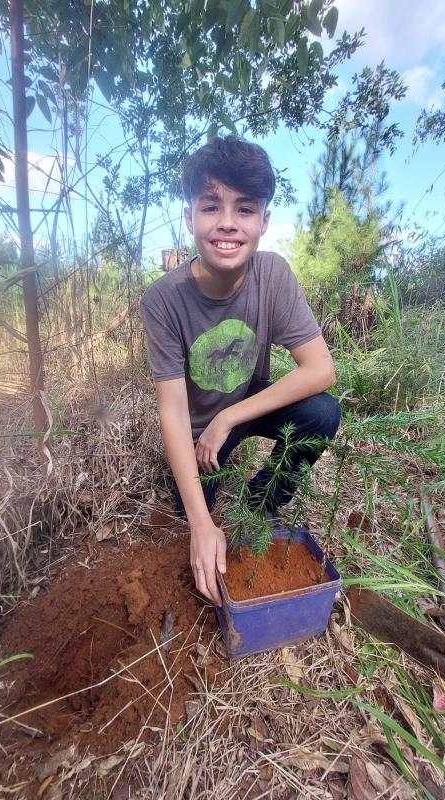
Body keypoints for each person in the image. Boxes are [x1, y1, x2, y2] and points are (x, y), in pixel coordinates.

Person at [139, 136, 340, 607]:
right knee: (191, 512)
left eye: (245, 209)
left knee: (323, 413)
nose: (227, 222)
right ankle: (202, 502)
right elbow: (172, 410)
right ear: (189, 217)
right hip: (196, 431)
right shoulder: (162, 300)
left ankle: (260, 504)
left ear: (263, 221)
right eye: (211, 206)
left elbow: (320, 369)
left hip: (246, 404)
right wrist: (201, 524)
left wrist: (228, 417)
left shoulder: (273, 274)